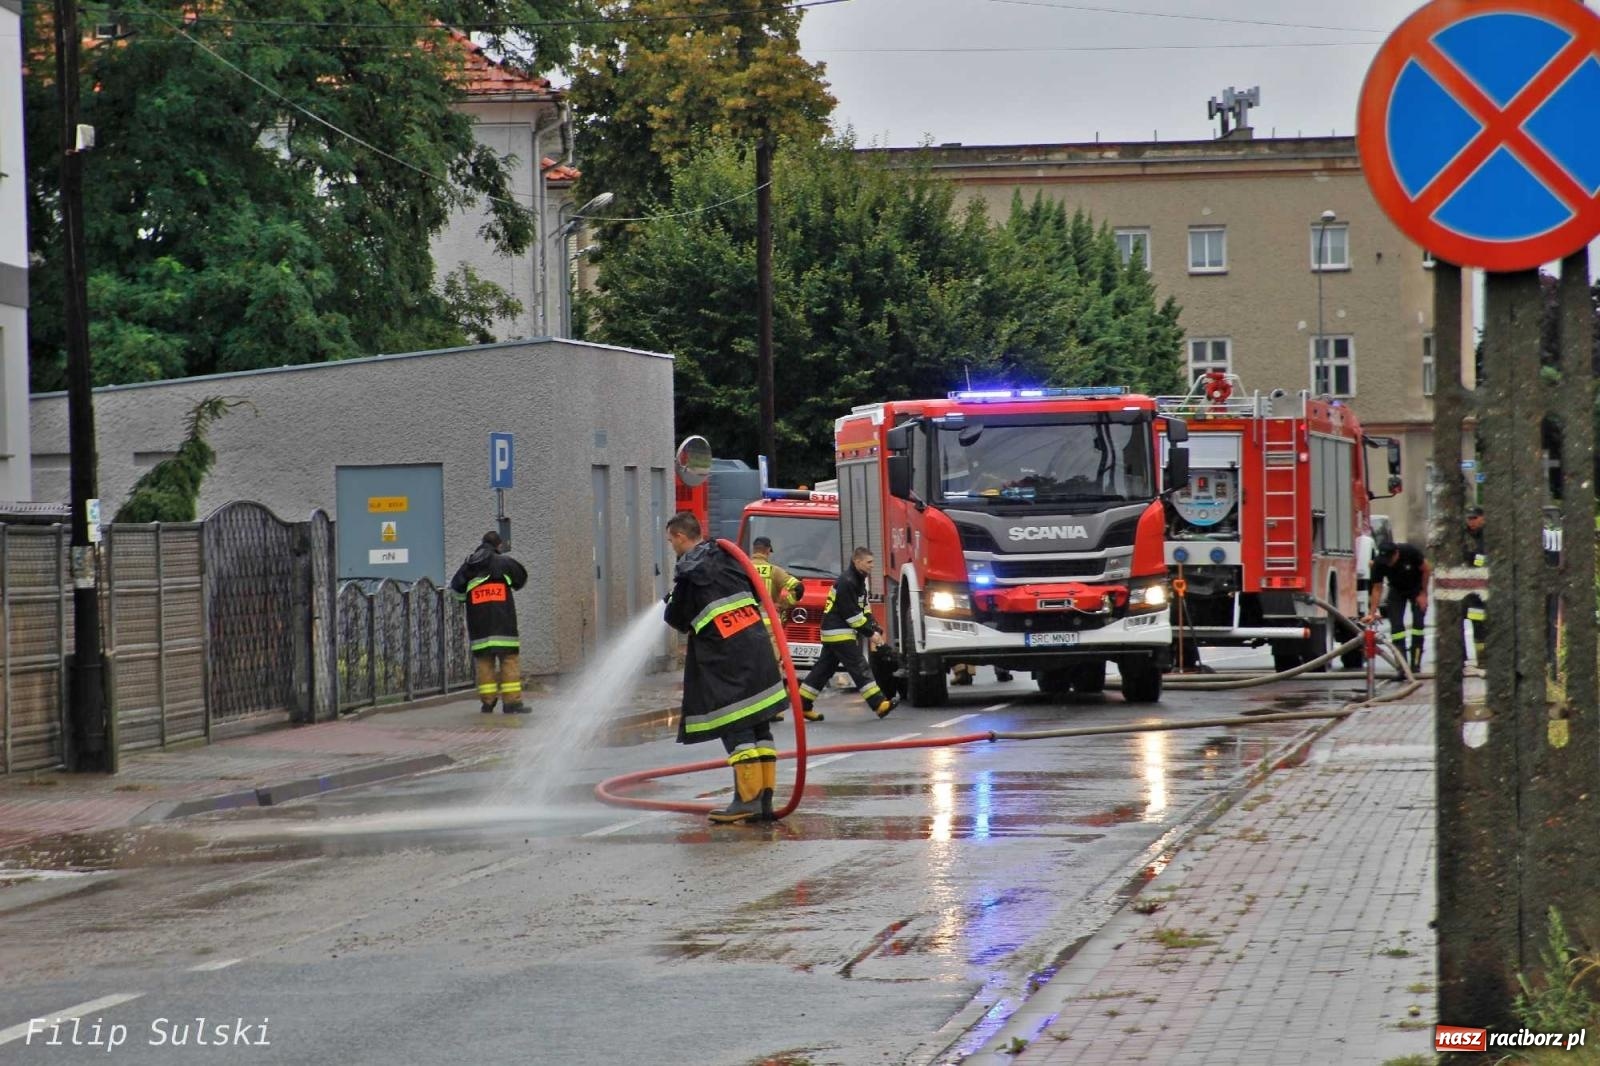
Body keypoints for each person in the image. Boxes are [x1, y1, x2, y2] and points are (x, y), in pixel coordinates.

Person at [664, 511, 787, 824]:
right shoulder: (729, 557)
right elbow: (760, 591)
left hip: (727, 658)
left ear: (680, 537)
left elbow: (676, 618)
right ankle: (764, 800)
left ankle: (746, 800)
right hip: (758, 648)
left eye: (671, 542)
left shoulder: (690, 569)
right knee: (760, 724)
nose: (672, 548)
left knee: (736, 724)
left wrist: (672, 599)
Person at [797, 547, 897, 720]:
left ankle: (802, 704)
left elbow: (864, 608)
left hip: (836, 631)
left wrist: (874, 626)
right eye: (869, 562)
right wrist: (869, 633)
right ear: (857, 561)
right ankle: (879, 704)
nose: (872, 566)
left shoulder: (859, 581)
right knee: (859, 666)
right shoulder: (847, 581)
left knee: (823, 669)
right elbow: (851, 613)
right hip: (838, 632)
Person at [450, 531, 529, 714]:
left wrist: (469, 598)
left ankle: (488, 702)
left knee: (484, 662)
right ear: (498, 545)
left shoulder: (469, 566)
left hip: (479, 625)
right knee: (509, 660)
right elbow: (521, 579)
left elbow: (456, 592)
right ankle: (512, 703)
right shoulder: (505, 563)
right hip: (504, 623)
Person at [750, 536, 820, 723]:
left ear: (754, 549)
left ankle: (752, 709)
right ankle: (776, 710)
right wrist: (783, 603)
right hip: (770, 627)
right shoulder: (773, 571)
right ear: (767, 551)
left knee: (750, 667)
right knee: (773, 668)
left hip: (745, 627)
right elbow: (799, 588)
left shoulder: (742, 569)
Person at [1366, 539, 1431, 675]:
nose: (1388, 563)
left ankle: (1415, 665)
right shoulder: (1380, 563)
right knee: (1396, 629)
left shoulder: (1409, 552)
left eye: (1390, 559)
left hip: (1416, 588)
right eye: (1386, 561)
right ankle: (1402, 666)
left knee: (1418, 627)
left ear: (1396, 553)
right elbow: (1377, 588)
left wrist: (1423, 593)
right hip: (1396, 590)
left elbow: (1426, 569)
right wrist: (1372, 613)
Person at [1462, 507, 1487, 665]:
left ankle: (1485, 657)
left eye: (1474, 518)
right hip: (1469, 587)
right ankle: (1477, 658)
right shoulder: (1463, 535)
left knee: (1487, 624)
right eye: (1469, 518)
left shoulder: (1490, 534)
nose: (1471, 522)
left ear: (1482, 518)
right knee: (1474, 620)